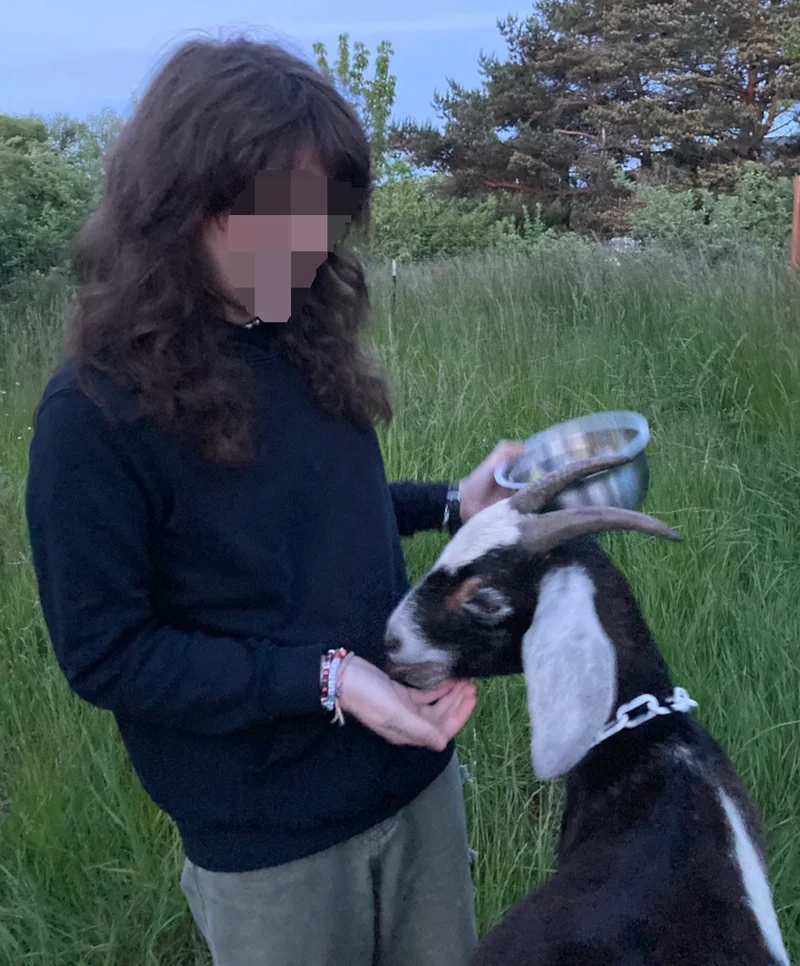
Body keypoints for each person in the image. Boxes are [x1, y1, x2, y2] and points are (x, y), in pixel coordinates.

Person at [24, 36, 524, 966]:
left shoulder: (301, 340)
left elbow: (317, 509)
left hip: (414, 777)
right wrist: (328, 679)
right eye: (279, 213)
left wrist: (453, 504)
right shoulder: (94, 413)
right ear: (184, 201)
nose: (310, 241)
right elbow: (106, 653)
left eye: (325, 212)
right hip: (271, 843)